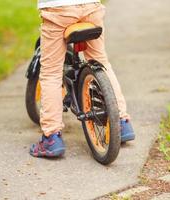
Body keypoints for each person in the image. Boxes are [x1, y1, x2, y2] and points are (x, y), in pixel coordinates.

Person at [30, 0, 135, 158]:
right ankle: (121, 121)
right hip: (90, 7)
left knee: (51, 72)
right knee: (100, 60)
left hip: (58, 9)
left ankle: (51, 138)